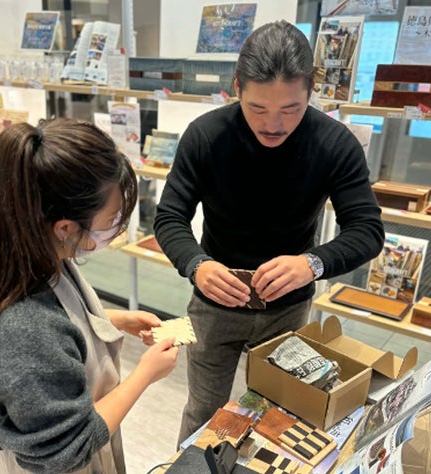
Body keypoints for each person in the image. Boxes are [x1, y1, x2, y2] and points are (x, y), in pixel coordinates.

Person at [153, 19, 384, 445]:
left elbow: (368, 230)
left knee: (281, 418)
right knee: (204, 411)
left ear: (311, 92)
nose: (273, 124)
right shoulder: (206, 135)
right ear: (237, 88)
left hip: (287, 307)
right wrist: (196, 265)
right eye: (257, 108)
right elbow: (169, 216)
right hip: (215, 302)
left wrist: (313, 263)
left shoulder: (334, 143)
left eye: (290, 109)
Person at [0, 118, 179, 473]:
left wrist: (114, 319)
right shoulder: (25, 330)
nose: (117, 231)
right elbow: (67, 449)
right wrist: (145, 374)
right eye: (111, 221)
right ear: (66, 228)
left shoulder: (20, 249)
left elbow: (58, 322)